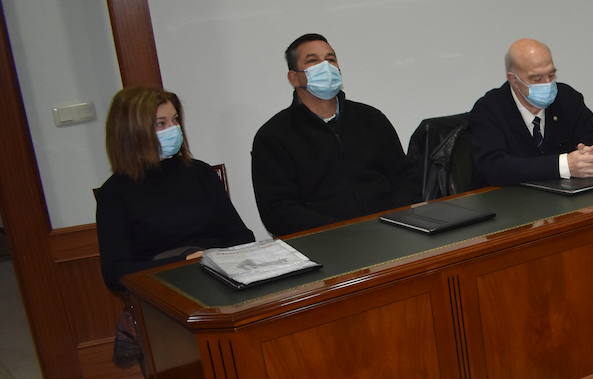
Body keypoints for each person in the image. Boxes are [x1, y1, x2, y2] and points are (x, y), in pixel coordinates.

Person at [251, 33, 415, 236]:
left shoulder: (371, 118)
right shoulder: (273, 136)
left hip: (390, 231)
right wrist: (342, 231)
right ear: (294, 77)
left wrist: (391, 218)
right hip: (324, 242)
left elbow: (404, 177)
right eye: (313, 61)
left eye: (330, 59)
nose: (326, 67)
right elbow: (277, 211)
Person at [96, 87, 253, 293]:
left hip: (223, 280)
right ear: (132, 132)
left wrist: (212, 257)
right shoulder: (115, 193)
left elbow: (242, 236)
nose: (174, 128)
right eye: (161, 123)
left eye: (175, 120)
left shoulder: (200, 172)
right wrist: (184, 262)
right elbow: (116, 273)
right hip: (165, 292)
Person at [467, 38, 593, 186]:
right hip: (509, 203)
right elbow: (493, 167)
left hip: (565, 198)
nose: (547, 84)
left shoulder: (566, 97)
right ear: (513, 80)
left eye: (551, 75)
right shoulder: (489, 109)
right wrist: (565, 166)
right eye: (537, 78)